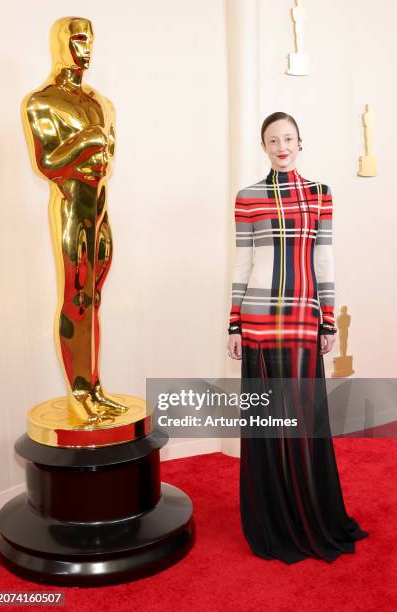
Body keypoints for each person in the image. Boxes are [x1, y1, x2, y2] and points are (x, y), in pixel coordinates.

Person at [227, 112, 369, 563]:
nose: (281, 146)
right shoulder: (247, 197)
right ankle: (273, 520)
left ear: (300, 142)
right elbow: (243, 264)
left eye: (288, 138)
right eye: (273, 140)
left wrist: (328, 318)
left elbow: (324, 260)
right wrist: (233, 321)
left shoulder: (320, 194)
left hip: (304, 320)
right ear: (263, 146)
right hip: (259, 322)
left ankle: (312, 516)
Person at [22, 17, 129, 423]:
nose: (87, 48)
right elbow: (47, 164)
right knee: (76, 300)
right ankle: (78, 392)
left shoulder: (101, 101)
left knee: (94, 298)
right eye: (78, 39)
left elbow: (109, 157)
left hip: (100, 209)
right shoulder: (42, 101)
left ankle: (94, 386)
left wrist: (97, 144)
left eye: (91, 39)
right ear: (61, 44)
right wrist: (87, 140)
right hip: (71, 206)